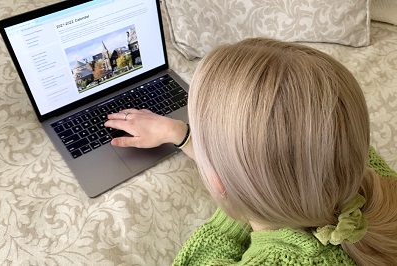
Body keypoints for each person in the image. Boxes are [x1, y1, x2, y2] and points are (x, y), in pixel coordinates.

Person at [104, 38, 397, 265]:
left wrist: (240, 203)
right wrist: (182, 135)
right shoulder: (369, 171)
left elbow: (202, 256)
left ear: (221, 184)